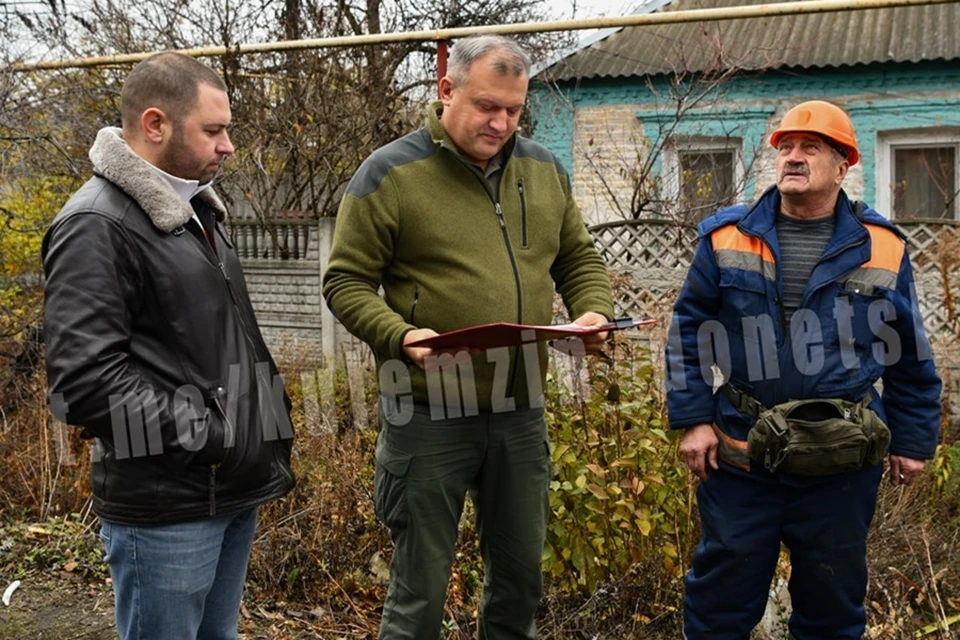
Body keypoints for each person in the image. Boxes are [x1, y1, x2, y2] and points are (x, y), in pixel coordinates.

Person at [322, 34, 614, 640]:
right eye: (487, 106)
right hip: (428, 410)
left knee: (518, 581)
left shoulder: (543, 168)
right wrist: (400, 336)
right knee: (419, 590)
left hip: (520, 407)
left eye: (513, 109)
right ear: (446, 89)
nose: (501, 122)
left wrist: (591, 311)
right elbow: (345, 282)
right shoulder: (390, 173)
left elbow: (578, 258)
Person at [666, 100, 942, 639]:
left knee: (831, 607)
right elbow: (688, 332)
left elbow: (909, 352)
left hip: (841, 461)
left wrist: (913, 439)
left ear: (843, 167)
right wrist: (694, 418)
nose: (793, 157)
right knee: (720, 601)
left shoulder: (881, 246)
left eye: (810, 148)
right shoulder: (726, 237)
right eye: (785, 147)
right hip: (742, 454)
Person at [43, 52, 295, 640]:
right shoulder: (96, 224)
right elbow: (85, 382)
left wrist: (257, 428)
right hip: (167, 505)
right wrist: (214, 438)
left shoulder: (194, 211)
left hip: (226, 487)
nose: (228, 145)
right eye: (214, 130)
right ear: (156, 124)